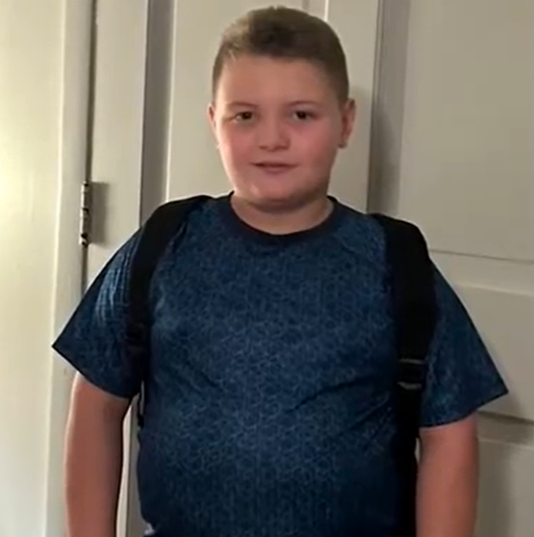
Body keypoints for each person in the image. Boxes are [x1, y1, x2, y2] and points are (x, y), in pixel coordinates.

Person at [53, 6, 508, 537]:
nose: (272, 139)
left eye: (301, 115)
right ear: (214, 122)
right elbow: (96, 403)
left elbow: (449, 431)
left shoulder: (396, 263)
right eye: (245, 116)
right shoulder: (162, 246)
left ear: (345, 122)